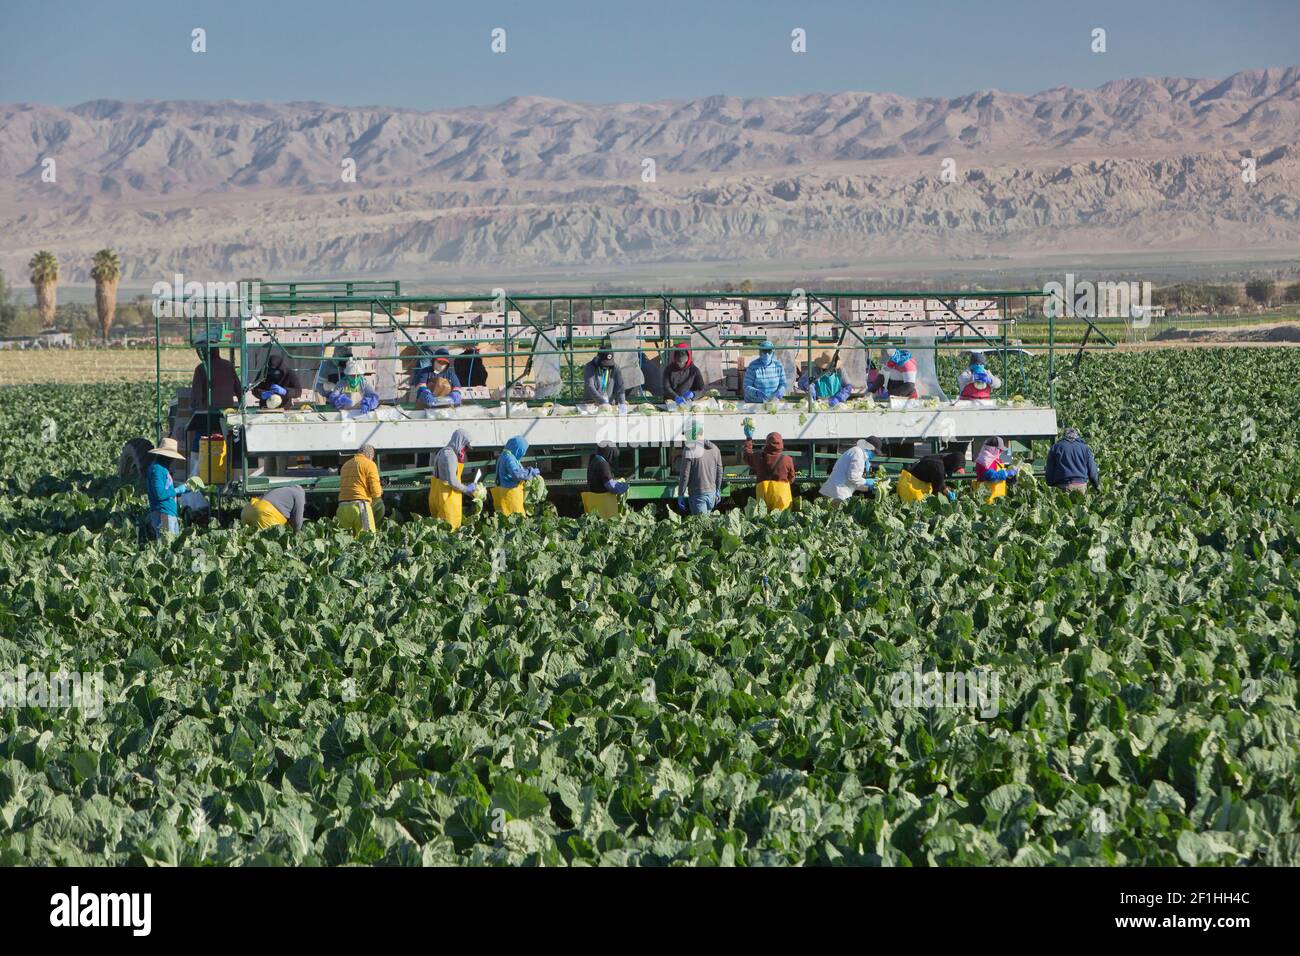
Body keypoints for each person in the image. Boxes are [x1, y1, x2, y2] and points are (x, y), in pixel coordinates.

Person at [145, 437, 196, 540]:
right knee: (166, 546)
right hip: (163, 513)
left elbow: (165, 489)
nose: (172, 460)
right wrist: (177, 490)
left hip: (168, 513)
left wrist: (181, 489)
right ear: (165, 456)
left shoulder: (161, 468)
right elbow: (160, 493)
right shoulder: (157, 469)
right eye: (171, 457)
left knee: (172, 544)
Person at [429, 429, 478, 530]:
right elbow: (452, 482)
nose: (465, 450)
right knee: (450, 531)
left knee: (440, 530)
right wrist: (468, 490)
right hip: (448, 499)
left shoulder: (442, 452)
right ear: (460, 442)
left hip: (437, 495)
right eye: (465, 447)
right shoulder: (450, 455)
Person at [742, 422, 797, 511]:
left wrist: (749, 439)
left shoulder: (759, 457)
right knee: (782, 521)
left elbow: (746, 456)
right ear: (781, 443)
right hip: (781, 493)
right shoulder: (787, 459)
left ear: (767, 443)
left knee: (763, 519)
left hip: (763, 491)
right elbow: (792, 477)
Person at [336, 444, 385, 535]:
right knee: (366, 540)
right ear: (371, 455)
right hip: (360, 507)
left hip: (342, 507)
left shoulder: (345, 465)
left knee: (345, 542)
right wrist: (381, 491)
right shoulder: (370, 464)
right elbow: (376, 493)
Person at [819, 436, 883, 503]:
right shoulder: (858, 454)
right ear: (870, 448)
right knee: (836, 511)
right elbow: (853, 478)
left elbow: (853, 483)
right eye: (874, 453)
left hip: (836, 490)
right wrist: (866, 482)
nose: (874, 455)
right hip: (838, 492)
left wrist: (868, 488)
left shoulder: (856, 451)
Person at [492, 435, 539, 516]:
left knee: (504, 519)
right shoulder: (509, 458)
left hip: (503, 492)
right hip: (511, 494)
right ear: (517, 449)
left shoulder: (503, 456)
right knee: (517, 519)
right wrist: (530, 472)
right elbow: (517, 474)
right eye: (522, 451)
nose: (523, 454)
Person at [1045, 427, 1100, 493]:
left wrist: (1050, 484)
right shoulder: (1085, 449)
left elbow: (1050, 470)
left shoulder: (1056, 448)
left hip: (1063, 486)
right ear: (1077, 436)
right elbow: (1092, 472)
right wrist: (1096, 486)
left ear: (1064, 436)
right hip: (1081, 486)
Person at [676, 439, 724, 515]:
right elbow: (720, 471)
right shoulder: (715, 448)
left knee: (701, 524)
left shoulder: (689, 449)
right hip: (711, 494)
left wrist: (681, 494)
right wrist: (717, 489)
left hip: (698, 494)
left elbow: (685, 475)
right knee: (707, 523)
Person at [897, 450, 965, 503]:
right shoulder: (938, 468)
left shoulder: (941, 458)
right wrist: (948, 496)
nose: (954, 471)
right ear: (952, 465)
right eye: (955, 469)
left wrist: (947, 491)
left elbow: (939, 482)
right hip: (910, 489)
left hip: (907, 481)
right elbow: (938, 490)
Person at [582, 441, 628, 517]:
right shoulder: (603, 464)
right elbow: (610, 486)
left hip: (594, 499)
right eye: (612, 456)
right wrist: (624, 486)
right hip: (602, 503)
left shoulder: (594, 460)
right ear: (609, 453)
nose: (612, 459)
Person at [241, 485, 307, 530]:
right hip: (264, 512)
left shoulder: (281, 490)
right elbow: (297, 522)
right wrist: (296, 536)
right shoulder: (299, 494)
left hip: (247, 509)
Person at [972, 436, 1018, 502]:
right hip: (987, 499)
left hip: (999, 497)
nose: (1000, 452)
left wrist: (1011, 478)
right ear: (993, 449)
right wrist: (1007, 473)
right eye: (1000, 450)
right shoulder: (984, 460)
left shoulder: (996, 459)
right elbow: (991, 477)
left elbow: (1000, 477)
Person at [662, 342, 705, 406]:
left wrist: (693, 394)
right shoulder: (669, 370)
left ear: (687, 360)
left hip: (689, 403)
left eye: (683, 363)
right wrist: (675, 397)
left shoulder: (694, 370)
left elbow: (702, 389)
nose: (680, 365)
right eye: (678, 362)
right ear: (675, 359)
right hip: (671, 402)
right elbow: (666, 387)